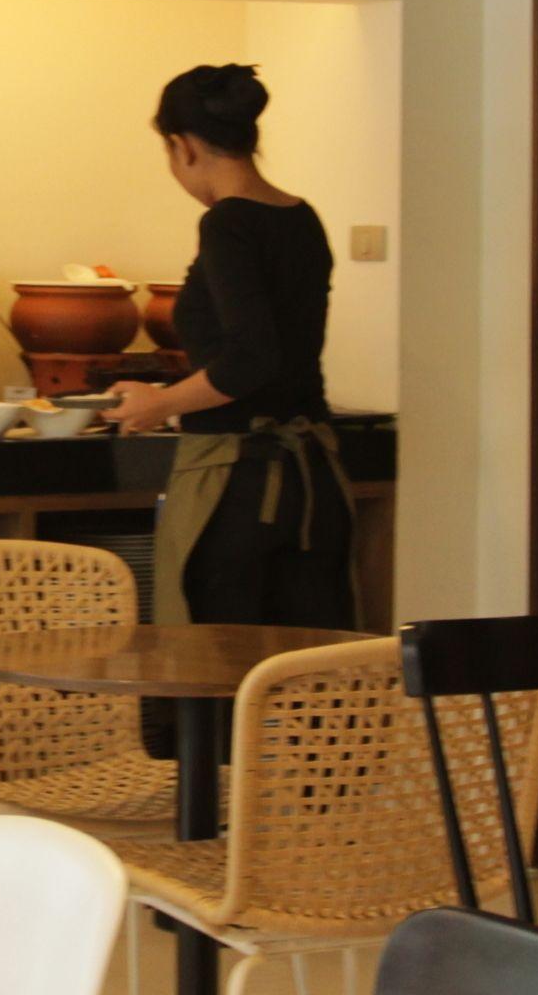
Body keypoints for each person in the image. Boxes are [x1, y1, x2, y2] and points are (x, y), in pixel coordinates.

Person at [108, 64, 356, 629]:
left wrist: (158, 404)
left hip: (237, 484)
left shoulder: (227, 223)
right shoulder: (302, 218)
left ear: (183, 146)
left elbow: (249, 359)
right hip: (314, 478)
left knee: (215, 663)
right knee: (306, 666)